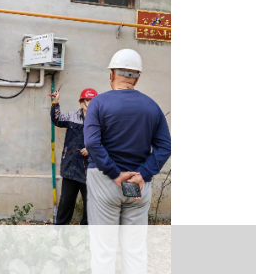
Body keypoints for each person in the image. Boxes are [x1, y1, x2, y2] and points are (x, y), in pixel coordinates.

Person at [84, 48, 171, 274]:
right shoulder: (152, 107)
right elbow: (165, 146)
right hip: (137, 184)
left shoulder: (98, 104)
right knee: (134, 248)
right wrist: (143, 173)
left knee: (104, 249)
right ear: (137, 77)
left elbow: (92, 144)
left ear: (112, 74)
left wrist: (114, 173)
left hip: (105, 181)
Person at [50, 88, 98, 225]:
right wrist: (56, 102)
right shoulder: (72, 116)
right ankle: (59, 231)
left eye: (92, 100)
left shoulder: (100, 121)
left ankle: (85, 234)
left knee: (91, 204)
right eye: (86, 100)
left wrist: (92, 149)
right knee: (66, 202)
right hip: (71, 167)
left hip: (90, 170)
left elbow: (106, 141)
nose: (88, 103)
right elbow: (57, 120)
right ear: (81, 102)